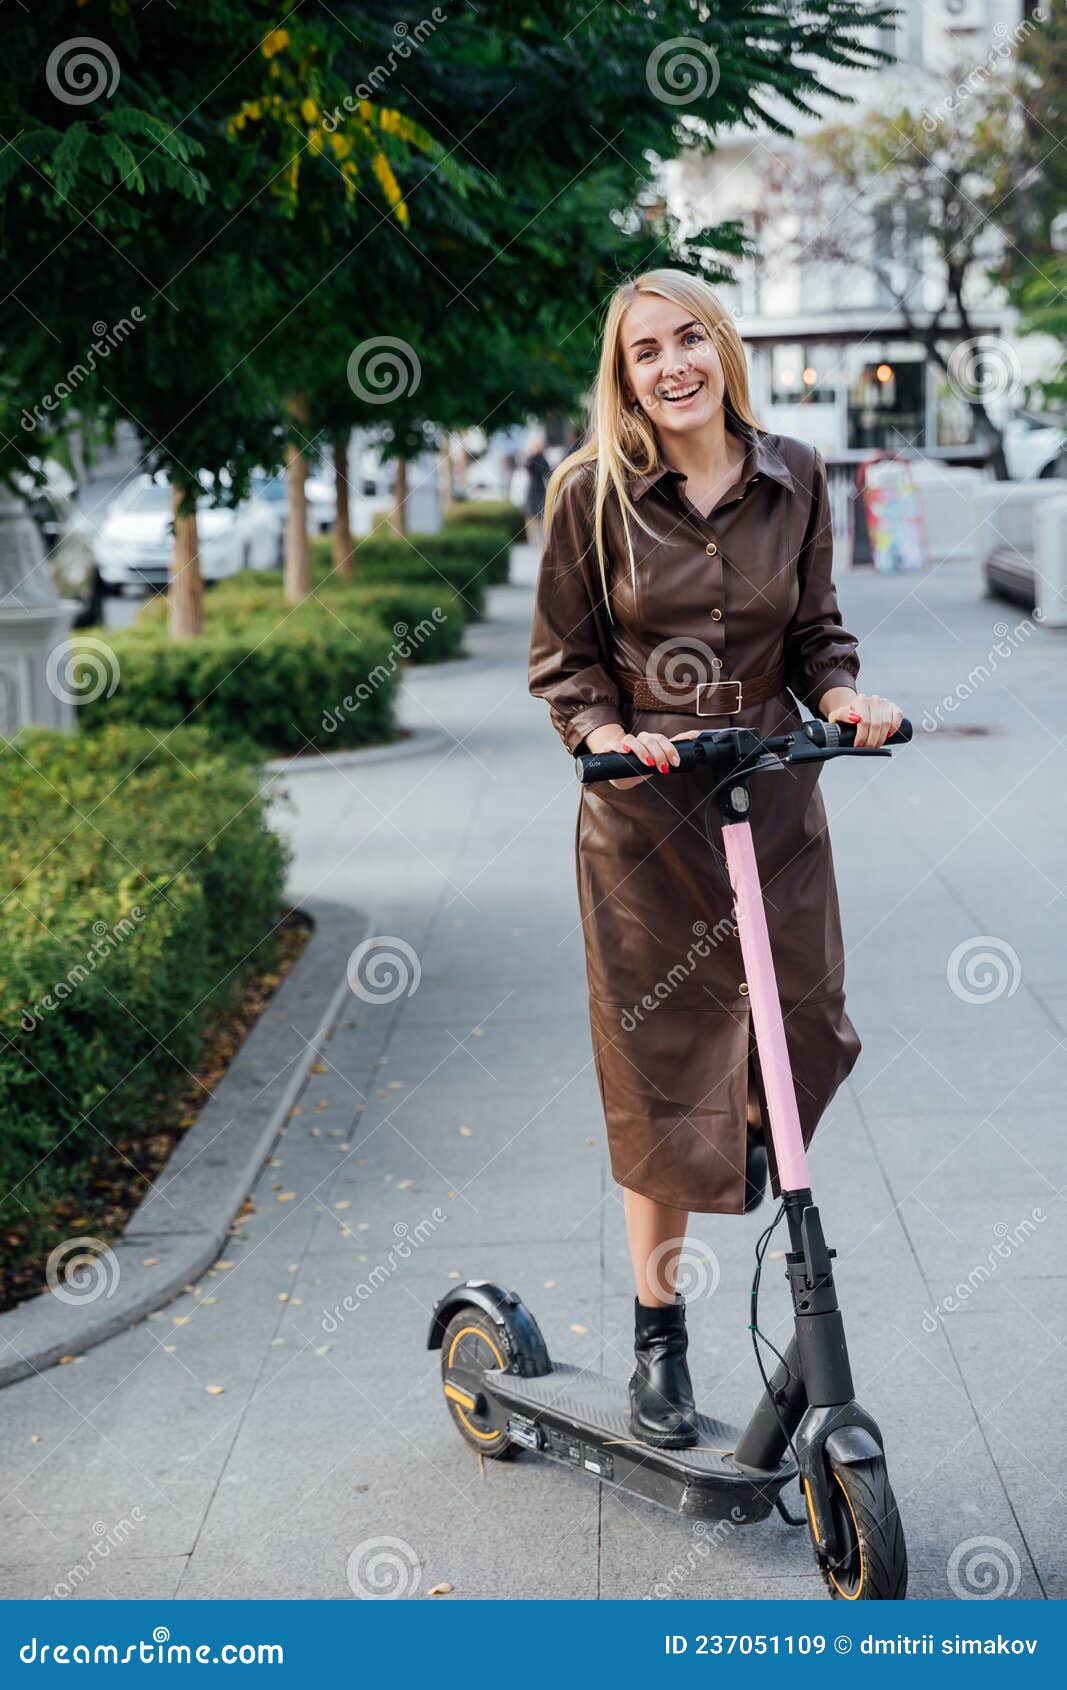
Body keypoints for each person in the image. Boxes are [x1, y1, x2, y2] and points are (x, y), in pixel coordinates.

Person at [527, 269, 903, 1448]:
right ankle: (658, 1342)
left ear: (722, 347)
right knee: (665, 1072)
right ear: (623, 374)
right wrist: (602, 734)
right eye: (646, 351)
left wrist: (843, 696)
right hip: (646, 822)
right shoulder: (587, 494)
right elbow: (565, 657)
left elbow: (813, 631)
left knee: (807, 1025)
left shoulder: (794, 477)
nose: (672, 364)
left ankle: (729, 1142)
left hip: (771, 804)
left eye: (689, 337)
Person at [522, 432, 552, 547]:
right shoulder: (531, 459)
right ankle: (533, 539)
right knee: (531, 516)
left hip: (540, 490)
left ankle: (541, 537)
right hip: (532, 490)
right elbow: (527, 466)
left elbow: (547, 472)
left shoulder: (543, 459)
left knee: (541, 515)